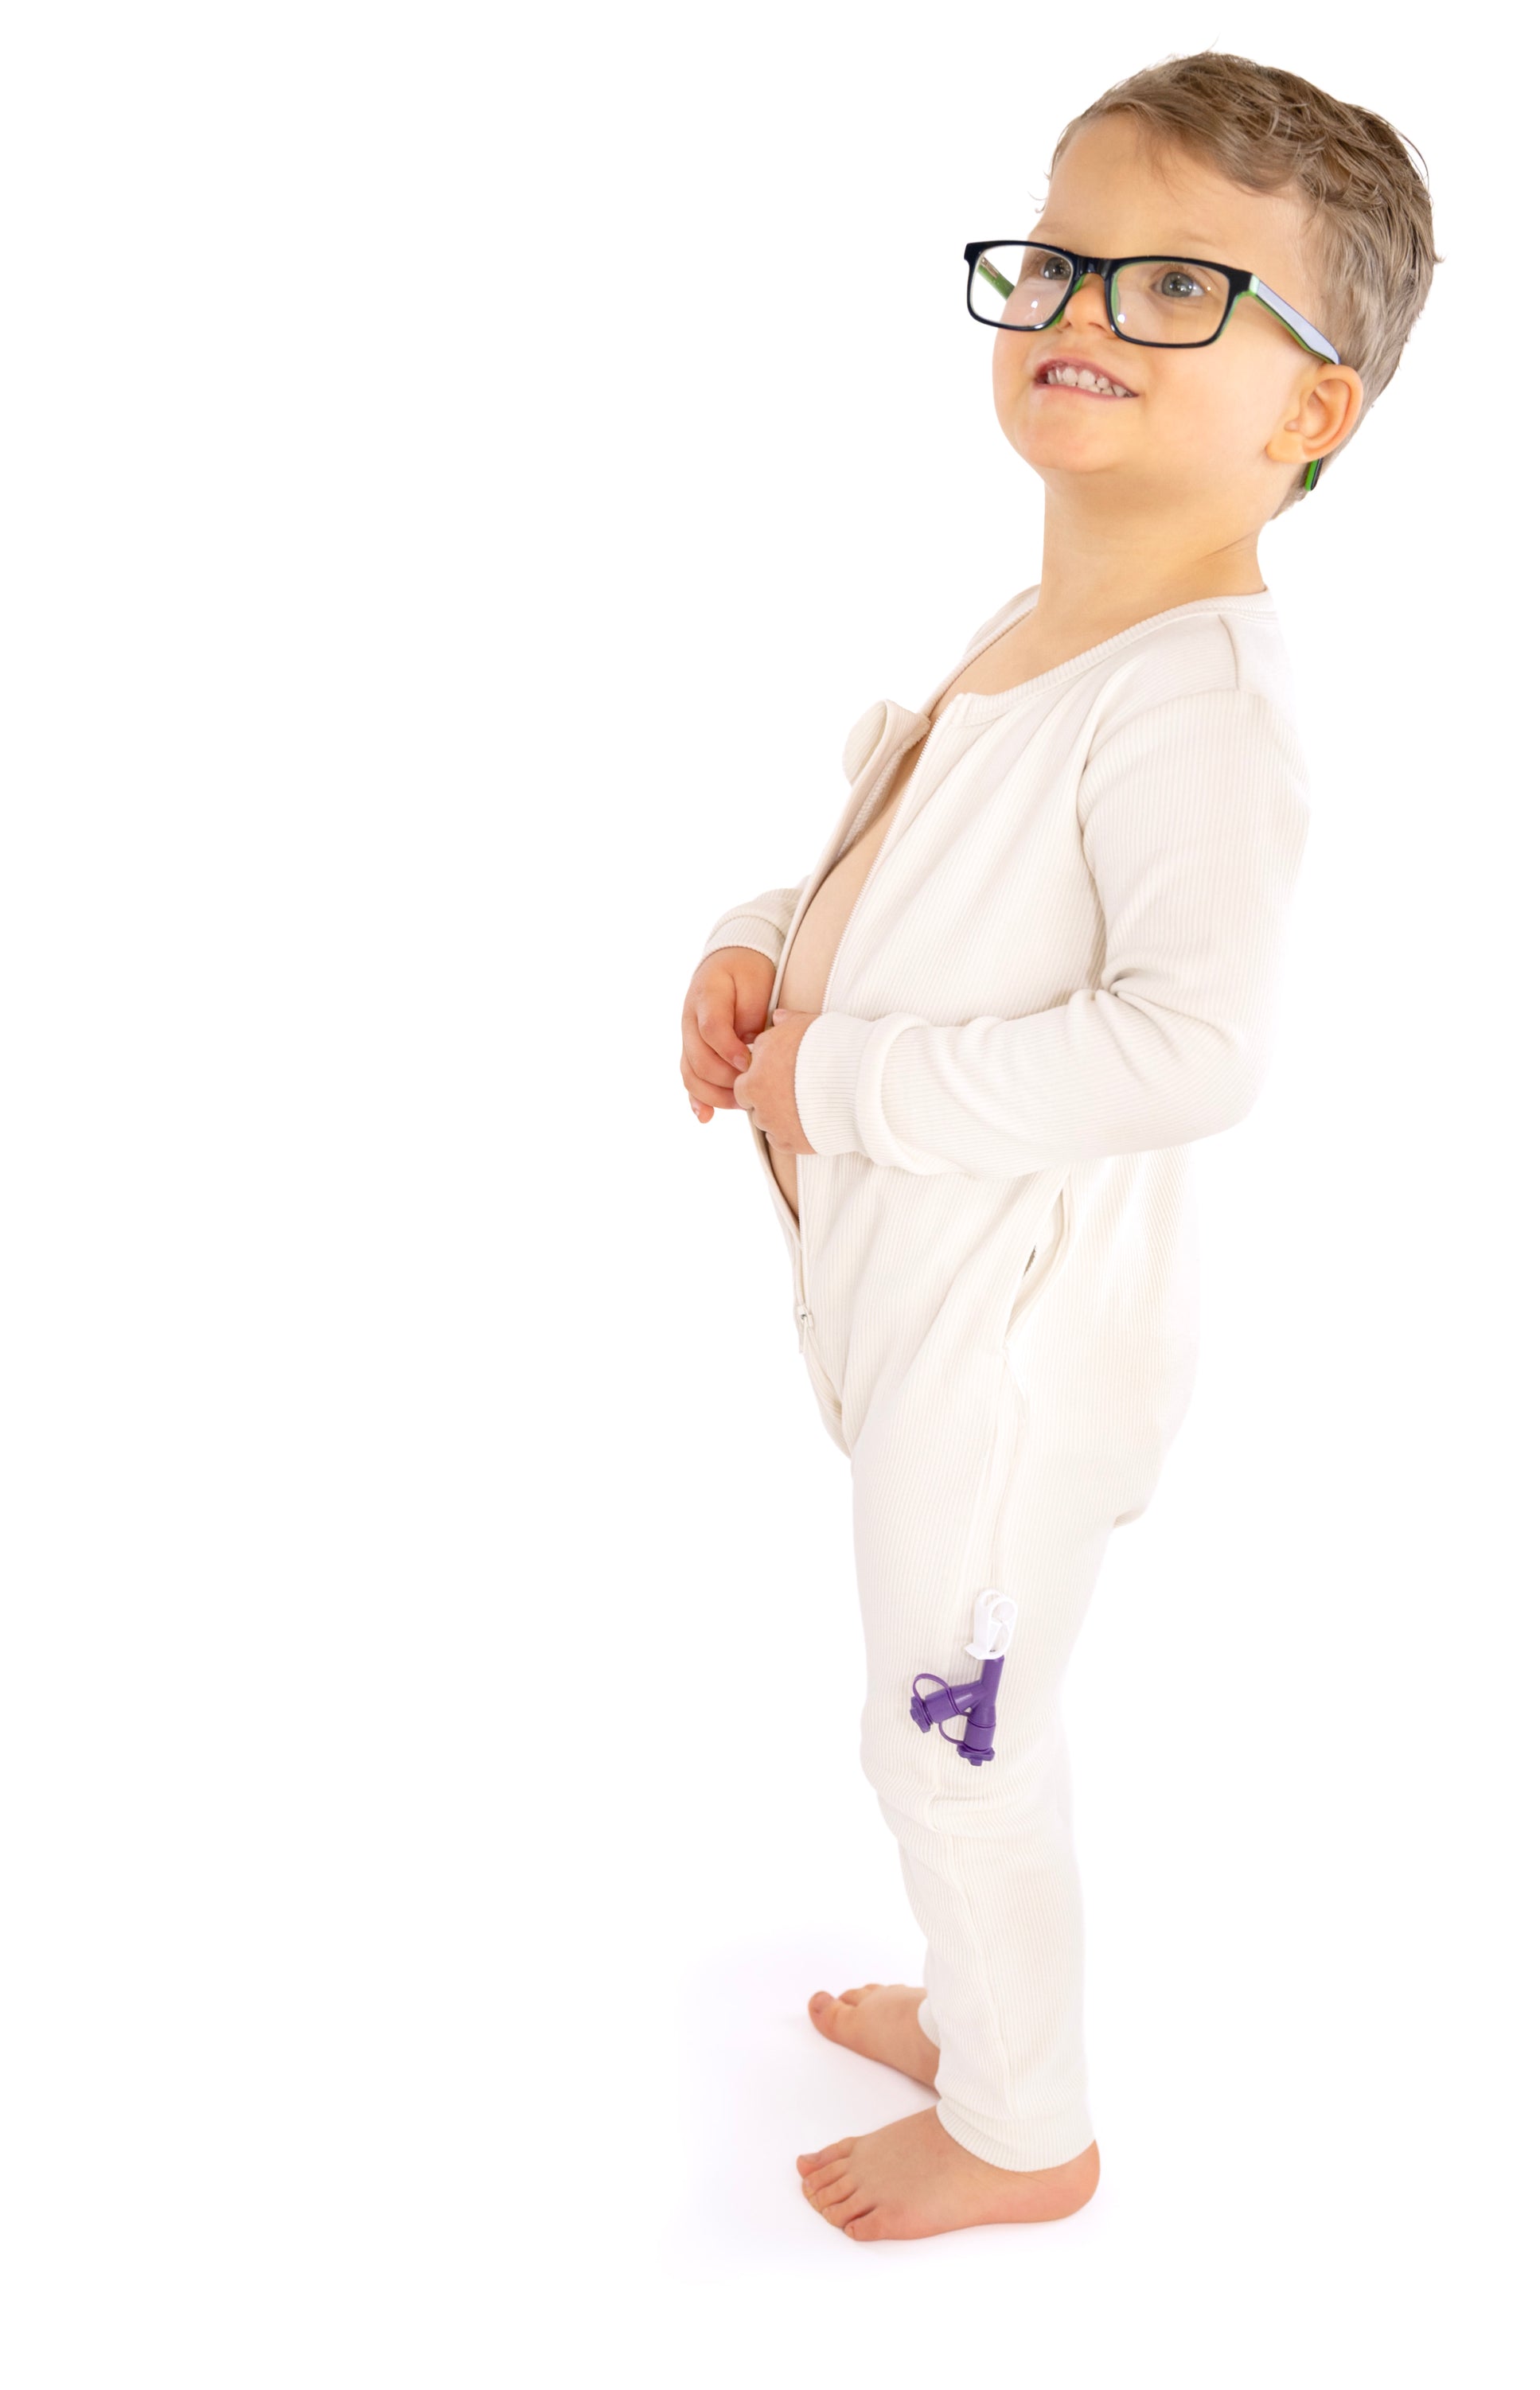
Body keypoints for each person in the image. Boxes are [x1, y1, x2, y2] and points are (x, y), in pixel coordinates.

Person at [678, 51, 1439, 2243]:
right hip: (919, 1304)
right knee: (940, 1719)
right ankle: (972, 1991)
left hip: (1010, 1360)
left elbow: (1192, 1050)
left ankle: (1030, 2126)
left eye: (1188, 285)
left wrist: (841, 1086)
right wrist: (758, 950)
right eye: (1072, 256)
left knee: (954, 1723)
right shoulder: (1042, 623)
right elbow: (913, 868)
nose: (1091, 303)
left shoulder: (1199, 699)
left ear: (1314, 417)